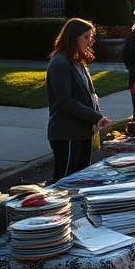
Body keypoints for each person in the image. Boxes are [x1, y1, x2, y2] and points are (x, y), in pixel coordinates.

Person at [46, 18, 110, 181]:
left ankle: (78, 207)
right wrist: (95, 117)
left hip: (83, 131)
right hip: (66, 132)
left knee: (83, 178)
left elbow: (89, 94)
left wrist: (97, 115)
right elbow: (65, 100)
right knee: (65, 180)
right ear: (74, 37)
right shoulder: (60, 62)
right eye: (86, 37)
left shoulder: (77, 62)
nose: (90, 41)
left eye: (91, 37)